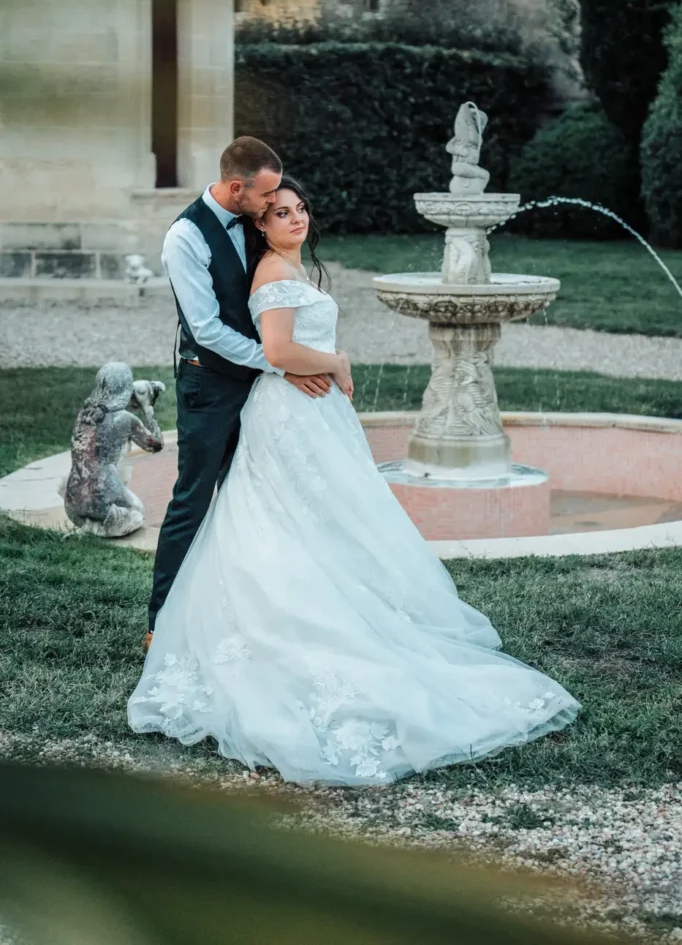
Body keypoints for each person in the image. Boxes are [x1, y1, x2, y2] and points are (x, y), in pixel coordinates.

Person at [128, 176, 580, 787]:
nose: (295, 219)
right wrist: (336, 361)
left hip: (311, 413)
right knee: (278, 518)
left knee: (326, 519)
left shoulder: (293, 268)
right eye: (280, 212)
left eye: (300, 208)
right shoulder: (269, 274)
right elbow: (280, 349)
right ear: (259, 223)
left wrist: (325, 367)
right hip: (288, 412)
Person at [147, 139, 332, 648]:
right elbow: (205, 327)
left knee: (252, 497)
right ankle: (160, 621)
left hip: (265, 382)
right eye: (267, 195)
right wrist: (278, 362)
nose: (274, 205)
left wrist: (282, 362)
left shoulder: (254, 219)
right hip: (210, 383)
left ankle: (244, 612)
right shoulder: (184, 237)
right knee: (196, 496)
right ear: (237, 188)